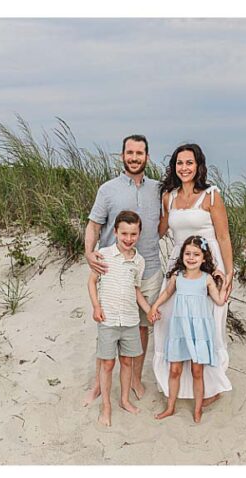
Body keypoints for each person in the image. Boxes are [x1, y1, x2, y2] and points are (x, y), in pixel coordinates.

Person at [83, 134, 163, 405]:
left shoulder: (158, 188)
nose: (134, 157)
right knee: (106, 327)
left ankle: (135, 380)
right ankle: (98, 384)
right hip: (112, 271)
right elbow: (94, 225)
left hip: (149, 268)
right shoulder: (108, 189)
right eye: (130, 153)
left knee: (140, 328)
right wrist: (88, 253)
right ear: (122, 156)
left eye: (139, 153)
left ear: (147, 157)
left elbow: (164, 223)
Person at [153, 143, 234, 405]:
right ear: (174, 167)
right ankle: (178, 384)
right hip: (179, 262)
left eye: (189, 163)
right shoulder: (169, 196)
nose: (184, 168)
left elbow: (223, 235)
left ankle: (212, 386)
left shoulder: (211, 195)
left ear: (198, 166)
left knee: (209, 323)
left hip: (210, 264)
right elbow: (160, 231)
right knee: (169, 319)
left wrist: (229, 272)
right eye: (179, 163)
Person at [148, 236, 226, 422]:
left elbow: (219, 300)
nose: (191, 258)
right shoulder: (178, 277)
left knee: (197, 371)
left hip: (198, 332)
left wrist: (222, 281)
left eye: (196, 254)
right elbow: (167, 293)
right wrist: (154, 306)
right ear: (182, 255)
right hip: (179, 329)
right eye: (188, 254)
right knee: (175, 370)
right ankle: (170, 407)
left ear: (204, 258)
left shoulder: (206, 279)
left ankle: (198, 409)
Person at [86, 211, 153, 426]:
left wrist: (149, 310)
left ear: (139, 234)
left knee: (127, 361)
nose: (128, 238)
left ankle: (124, 400)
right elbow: (91, 282)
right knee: (107, 364)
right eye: (124, 233)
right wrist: (96, 306)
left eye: (133, 234)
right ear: (115, 232)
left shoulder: (139, 261)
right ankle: (106, 406)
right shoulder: (103, 254)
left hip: (130, 320)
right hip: (108, 320)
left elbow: (136, 290)